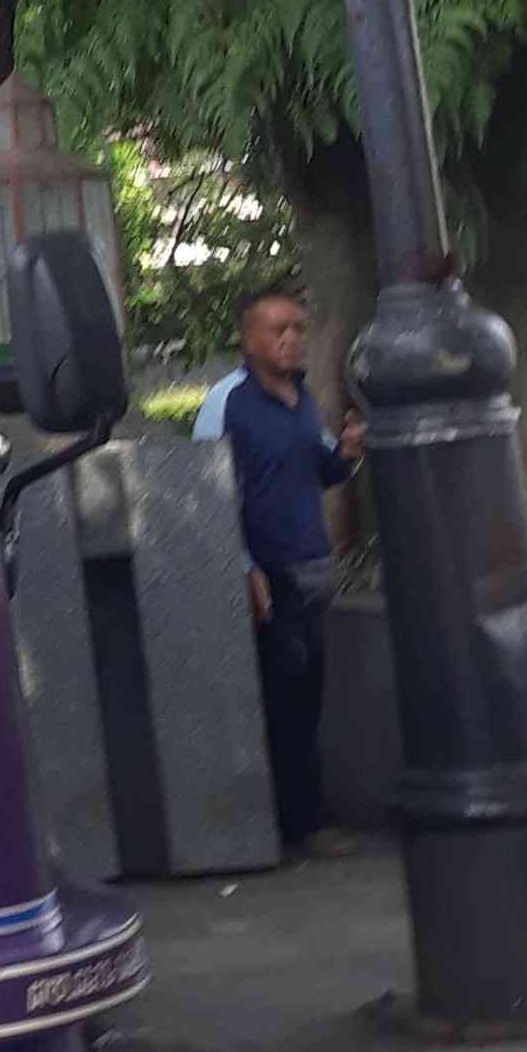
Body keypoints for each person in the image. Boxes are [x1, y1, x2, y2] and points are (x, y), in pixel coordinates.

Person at [209, 283, 365, 859]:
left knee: (306, 697)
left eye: (299, 328)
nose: (292, 340)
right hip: (266, 580)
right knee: (280, 703)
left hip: (311, 572)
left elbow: (321, 472)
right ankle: (292, 827)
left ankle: (299, 821)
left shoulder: (303, 402)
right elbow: (207, 492)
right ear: (248, 339)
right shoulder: (227, 402)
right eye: (279, 330)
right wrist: (243, 567)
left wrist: (346, 453)